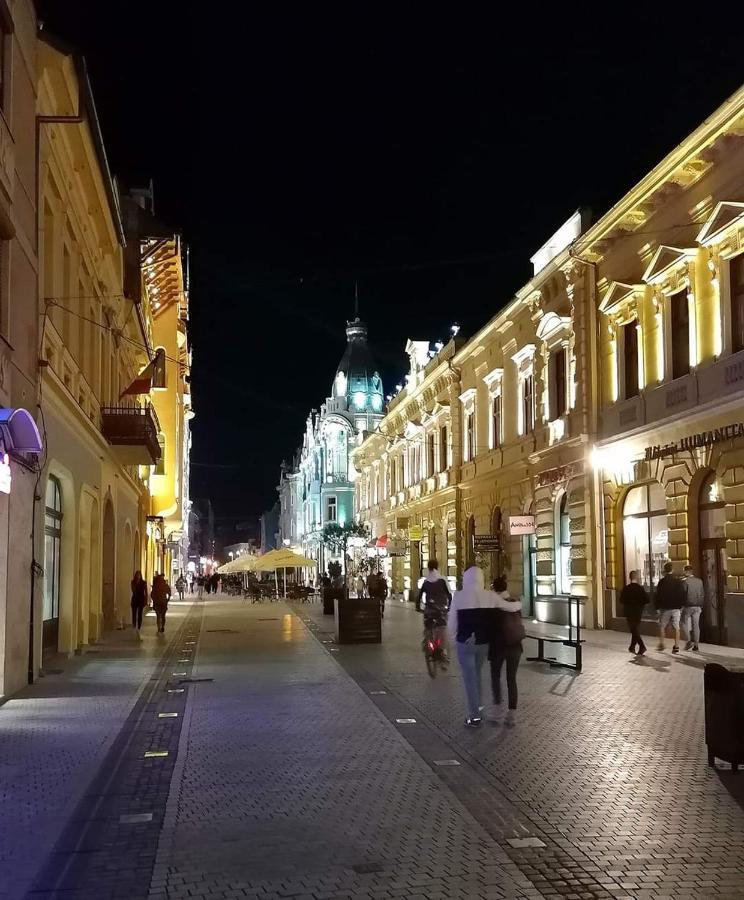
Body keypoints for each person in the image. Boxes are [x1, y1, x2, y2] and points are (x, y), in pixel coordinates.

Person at [447, 566, 495, 727]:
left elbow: (452, 620)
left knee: (469, 679)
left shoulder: (459, 596)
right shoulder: (488, 595)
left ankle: (474, 716)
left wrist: (450, 638)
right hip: (483, 643)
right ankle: (479, 709)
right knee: (477, 675)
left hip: (464, 642)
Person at [488, 576, 524, 726]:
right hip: (515, 646)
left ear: (495, 589)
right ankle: (512, 715)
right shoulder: (515, 602)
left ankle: (497, 713)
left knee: (496, 677)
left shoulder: (494, 605)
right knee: (511, 679)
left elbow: (489, 629)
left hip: (499, 647)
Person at [420, 559, 452, 655]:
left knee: (428, 626)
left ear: (428, 568)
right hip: (441, 609)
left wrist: (417, 607)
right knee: (442, 627)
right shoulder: (442, 580)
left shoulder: (426, 582)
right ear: (437, 567)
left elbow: (419, 596)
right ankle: (443, 651)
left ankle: (427, 641)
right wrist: (449, 606)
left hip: (429, 609)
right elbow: (449, 595)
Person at [655, 561, 685, 653]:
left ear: (665, 570)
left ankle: (662, 644)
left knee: (662, 626)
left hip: (665, 608)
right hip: (676, 608)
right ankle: (676, 646)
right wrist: (681, 606)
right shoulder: (678, 581)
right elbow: (682, 594)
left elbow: (657, 595)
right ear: (672, 570)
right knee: (676, 627)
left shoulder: (661, 582)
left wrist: (657, 607)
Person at [619, 570, 648, 655]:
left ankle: (642, 646)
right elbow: (646, 600)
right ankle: (632, 647)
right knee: (634, 629)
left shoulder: (626, 588)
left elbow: (621, 600)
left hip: (629, 611)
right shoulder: (640, 588)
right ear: (637, 578)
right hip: (638, 612)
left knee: (633, 629)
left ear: (629, 578)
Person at [682, 564, 704, 651]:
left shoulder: (684, 581)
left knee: (684, 623)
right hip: (698, 606)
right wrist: (701, 605)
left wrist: (681, 606)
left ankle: (688, 641)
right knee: (696, 625)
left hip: (688, 606)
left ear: (686, 571)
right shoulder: (699, 581)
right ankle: (696, 645)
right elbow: (702, 594)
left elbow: (683, 595)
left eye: (684, 571)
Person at [130, 570, 148, 639]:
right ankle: (134, 625)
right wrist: (136, 584)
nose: (138, 576)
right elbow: (133, 590)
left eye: (139, 575)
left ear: (141, 576)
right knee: (134, 613)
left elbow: (146, 592)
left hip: (141, 599)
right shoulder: (133, 582)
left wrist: (146, 600)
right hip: (134, 599)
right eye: (137, 575)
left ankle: (139, 627)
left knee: (140, 614)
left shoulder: (144, 583)